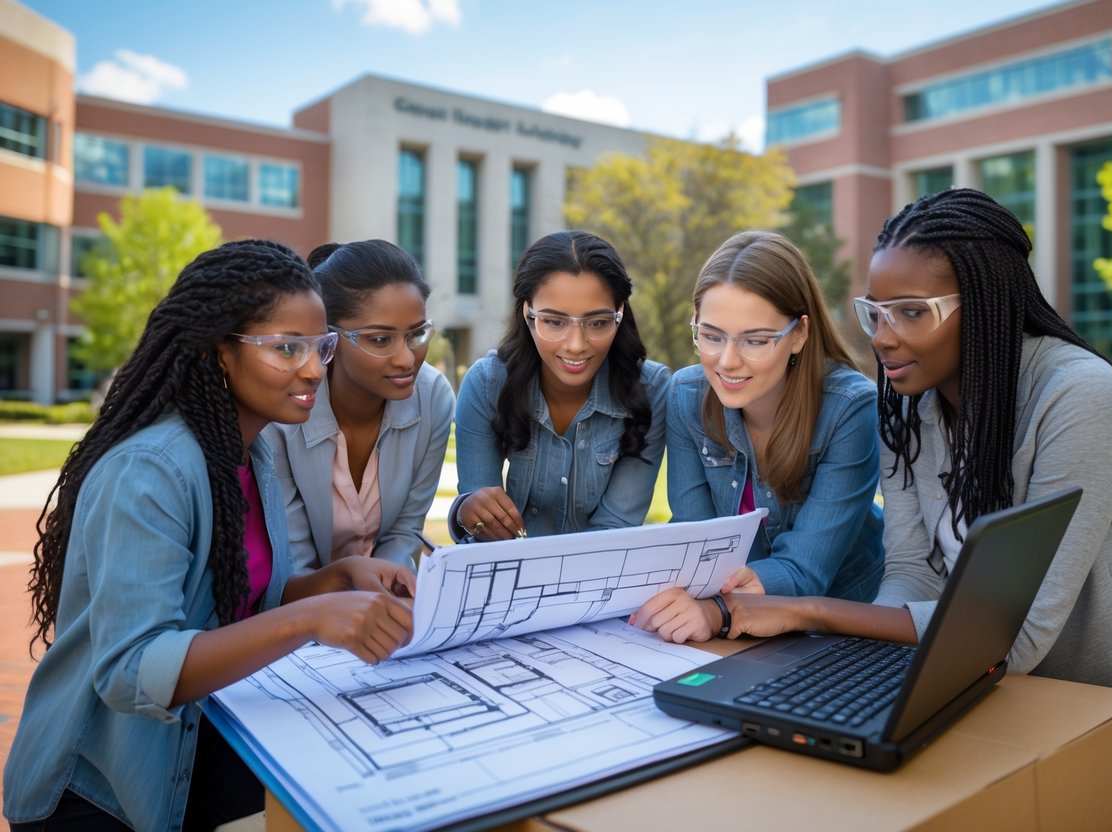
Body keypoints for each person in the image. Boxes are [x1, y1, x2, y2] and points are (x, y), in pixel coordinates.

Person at [700, 189, 1112, 829]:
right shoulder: (909, 408)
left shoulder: (1078, 397)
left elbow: (1015, 636)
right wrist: (860, 676)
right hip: (1011, 714)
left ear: (987, 304)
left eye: (912, 312)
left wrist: (809, 610)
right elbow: (913, 569)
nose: (884, 339)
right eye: (875, 313)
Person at [4, 240, 415, 832]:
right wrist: (308, 621)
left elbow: (232, 604)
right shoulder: (149, 471)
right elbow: (133, 668)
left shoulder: (251, 453)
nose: (312, 369)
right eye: (285, 348)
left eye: (319, 347)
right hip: (100, 791)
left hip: (202, 745)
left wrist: (331, 583)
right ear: (217, 351)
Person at [630, 230, 884, 644]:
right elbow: (696, 540)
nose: (727, 362)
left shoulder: (850, 408)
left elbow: (806, 571)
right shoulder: (687, 395)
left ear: (799, 334)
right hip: (737, 621)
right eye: (711, 336)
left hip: (848, 619)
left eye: (756, 340)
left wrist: (715, 609)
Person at [451, 230, 670, 541]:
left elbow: (616, 528)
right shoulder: (486, 384)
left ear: (619, 313)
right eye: (554, 321)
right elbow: (481, 530)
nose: (576, 345)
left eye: (597, 322)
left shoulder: (652, 389)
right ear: (528, 314)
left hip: (603, 576)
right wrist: (468, 512)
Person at [266, 239, 454, 571]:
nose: (406, 359)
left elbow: (404, 532)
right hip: (293, 608)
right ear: (329, 338)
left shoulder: (433, 397)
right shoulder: (283, 411)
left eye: (417, 335)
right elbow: (291, 558)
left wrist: (386, 588)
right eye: (380, 340)